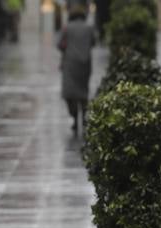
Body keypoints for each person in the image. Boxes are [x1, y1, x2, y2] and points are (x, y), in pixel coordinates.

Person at [56, 5, 95, 135]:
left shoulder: (67, 28)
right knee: (83, 91)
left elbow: (60, 45)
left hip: (70, 64)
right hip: (85, 64)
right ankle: (83, 116)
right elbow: (94, 42)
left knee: (69, 93)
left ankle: (74, 117)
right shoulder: (89, 28)